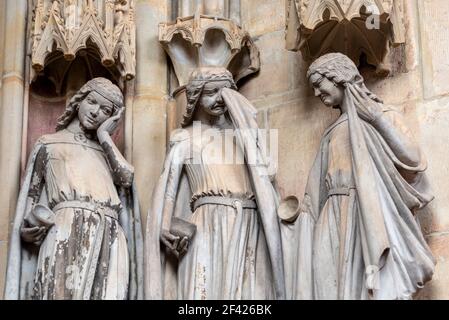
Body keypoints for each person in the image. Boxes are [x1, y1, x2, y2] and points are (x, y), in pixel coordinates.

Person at [282, 53, 435, 300]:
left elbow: (413, 160)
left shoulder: (381, 115)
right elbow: (314, 194)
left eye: (320, 85)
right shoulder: (331, 133)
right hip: (331, 219)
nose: (316, 94)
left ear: (339, 78)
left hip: (367, 213)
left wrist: (375, 117)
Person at [145, 67, 285, 300]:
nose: (219, 98)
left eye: (225, 91)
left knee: (249, 293)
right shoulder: (185, 137)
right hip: (208, 221)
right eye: (211, 92)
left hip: (249, 222)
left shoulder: (243, 139)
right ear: (196, 97)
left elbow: (265, 180)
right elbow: (168, 188)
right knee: (204, 289)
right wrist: (164, 223)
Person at [5, 77, 143, 300]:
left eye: (105, 110)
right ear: (80, 100)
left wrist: (105, 137)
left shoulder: (109, 154)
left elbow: (126, 178)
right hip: (65, 229)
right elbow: (30, 200)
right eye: (92, 102)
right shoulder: (48, 143)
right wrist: (27, 230)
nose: (96, 112)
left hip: (110, 235)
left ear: (113, 118)